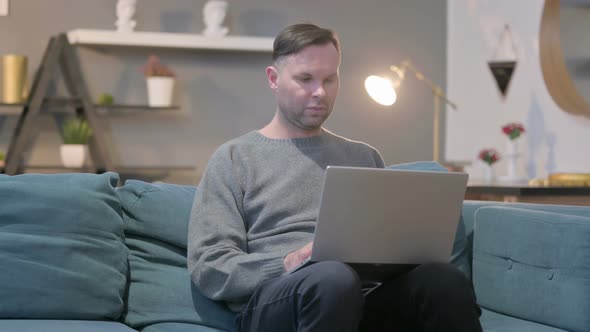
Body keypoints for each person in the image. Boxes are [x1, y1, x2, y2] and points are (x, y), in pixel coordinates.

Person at [188, 23, 483, 332]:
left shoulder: (363, 157)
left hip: (360, 299)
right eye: (305, 79)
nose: (320, 92)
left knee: (442, 279)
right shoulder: (235, 158)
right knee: (331, 278)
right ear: (274, 79)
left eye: (330, 79)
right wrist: (286, 262)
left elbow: (384, 251)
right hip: (276, 301)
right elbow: (211, 266)